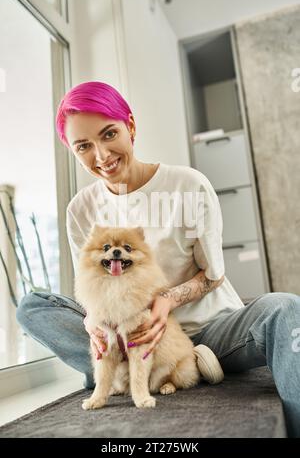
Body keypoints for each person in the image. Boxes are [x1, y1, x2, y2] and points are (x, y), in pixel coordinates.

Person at [16, 81, 300, 437]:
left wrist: (167, 300)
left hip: (208, 331)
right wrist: (92, 323)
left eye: (109, 134)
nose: (101, 155)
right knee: (33, 307)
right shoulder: (80, 210)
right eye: (84, 146)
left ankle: (176, 365)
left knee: (285, 308)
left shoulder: (188, 185)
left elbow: (213, 275)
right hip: (123, 331)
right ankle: (119, 368)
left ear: (130, 126)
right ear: (73, 152)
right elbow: (91, 287)